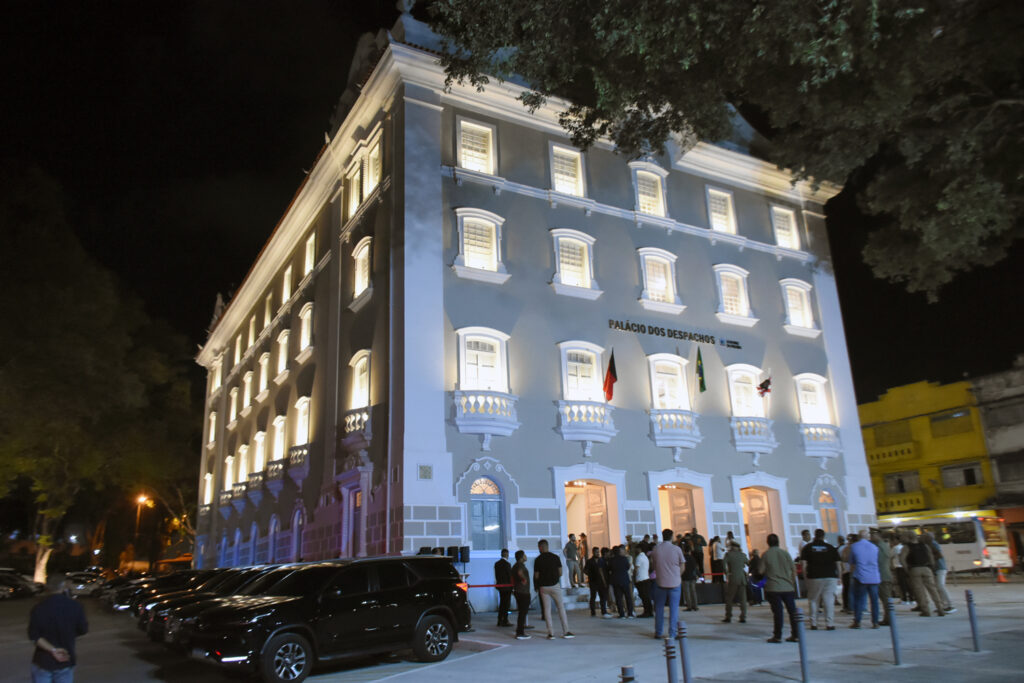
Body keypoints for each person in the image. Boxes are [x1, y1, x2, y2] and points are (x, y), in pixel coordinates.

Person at [28, 572, 88, 683]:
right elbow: (83, 630)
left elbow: (34, 636)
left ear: (47, 588)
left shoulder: (38, 608)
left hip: (42, 660)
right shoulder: (76, 606)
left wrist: (53, 650)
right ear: (64, 586)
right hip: (65, 658)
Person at [800, 528, 840, 630]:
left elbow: (803, 564)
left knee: (813, 599)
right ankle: (829, 624)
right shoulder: (831, 548)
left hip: (814, 576)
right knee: (829, 600)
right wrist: (839, 577)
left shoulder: (808, 547)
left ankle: (814, 623)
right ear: (823, 536)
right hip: (830, 576)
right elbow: (838, 565)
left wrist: (805, 577)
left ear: (814, 535)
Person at [761, 533, 799, 643]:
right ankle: (795, 634)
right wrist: (791, 582)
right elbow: (793, 570)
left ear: (768, 542)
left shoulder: (766, 554)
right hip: (788, 587)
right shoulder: (785, 553)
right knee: (792, 612)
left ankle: (777, 636)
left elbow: (760, 570)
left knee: (778, 613)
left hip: (773, 587)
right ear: (778, 542)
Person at [534, 539, 574, 639]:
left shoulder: (538, 559)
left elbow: (536, 575)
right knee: (561, 608)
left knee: (547, 610)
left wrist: (537, 585)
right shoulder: (555, 557)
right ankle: (566, 631)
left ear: (540, 547)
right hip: (555, 585)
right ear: (547, 546)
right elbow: (560, 572)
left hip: (543, 587)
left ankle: (551, 633)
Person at [651, 528, 685, 639]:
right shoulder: (677, 549)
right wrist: (677, 575)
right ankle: (672, 633)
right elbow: (682, 565)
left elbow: (654, 566)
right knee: (674, 609)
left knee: (659, 608)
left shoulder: (656, 549)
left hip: (660, 582)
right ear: (671, 536)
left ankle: (658, 632)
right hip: (675, 583)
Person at [900, 533, 946, 617]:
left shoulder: (906, 547)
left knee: (920, 591)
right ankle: (940, 608)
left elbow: (902, 559)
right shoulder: (925, 545)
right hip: (926, 568)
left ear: (908, 538)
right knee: (933, 589)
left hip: (914, 569)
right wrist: (931, 567)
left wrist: (906, 569)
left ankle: (926, 610)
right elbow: (931, 557)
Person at [848, 529, 881, 628]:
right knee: (874, 601)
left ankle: (857, 621)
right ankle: (875, 622)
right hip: (874, 576)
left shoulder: (854, 546)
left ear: (859, 537)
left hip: (860, 576)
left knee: (859, 599)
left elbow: (852, 562)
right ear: (868, 537)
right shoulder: (875, 547)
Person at [923, 531, 955, 613]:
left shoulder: (933, 544)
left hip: (940, 568)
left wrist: (931, 560)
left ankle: (949, 605)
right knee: (938, 587)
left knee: (940, 586)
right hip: (937, 568)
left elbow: (939, 555)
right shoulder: (931, 544)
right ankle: (943, 605)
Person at [721, 542, 749, 623]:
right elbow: (748, 563)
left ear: (732, 547)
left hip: (733, 577)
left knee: (729, 598)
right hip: (742, 578)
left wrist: (726, 573)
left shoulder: (728, 555)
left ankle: (728, 616)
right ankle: (743, 617)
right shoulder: (742, 555)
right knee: (743, 599)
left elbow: (723, 565)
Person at [871, 530, 893, 626]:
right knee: (886, 599)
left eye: (872, 535)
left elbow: (878, 561)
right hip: (885, 574)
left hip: (882, 575)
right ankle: (888, 618)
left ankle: (889, 618)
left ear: (878, 535)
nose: (871, 537)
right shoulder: (884, 545)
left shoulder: (880, 547)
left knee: (886, 599)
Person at [584, 547, 612, 617]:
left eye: (598, 552)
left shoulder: (601, 560)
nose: (598, 553)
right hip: (593, 581)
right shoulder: (589, 561)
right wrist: (590, 574)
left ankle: (604, 611)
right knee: (593, 596)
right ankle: (593, 612)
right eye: (596, 552)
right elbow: (585, 570)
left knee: (602, 597)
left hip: (600, 581)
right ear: (593, 552)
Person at [610, 546, 636, 618]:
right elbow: (627, 567)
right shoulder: (624, 559)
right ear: (619, 551)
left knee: (619, 598)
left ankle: (621, 614)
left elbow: (609, 568)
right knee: (628, 597)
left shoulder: (611, 560)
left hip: (616, 580)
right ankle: (630, 613)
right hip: (625, 580)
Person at [512, 550, 532, 640]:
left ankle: (520, 630)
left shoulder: (515, 565)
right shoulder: (520, 565)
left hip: (519, 591)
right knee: (523, 612)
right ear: (521, 557)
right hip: (522, 592)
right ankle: (520, 632)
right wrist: (524, 579)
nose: (526, 556)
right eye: (524, 555)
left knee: (522, 612)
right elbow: (520, 573)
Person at [494, 548, 513, 627]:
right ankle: (505, 620)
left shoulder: (497, 564)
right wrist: (512, 586)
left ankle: (499, 619)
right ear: (507, 554)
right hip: (507, 587)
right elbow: (509, 576)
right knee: (506, 604)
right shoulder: (507, 564)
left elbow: (496, 575)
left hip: (500, 586)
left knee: (502, 603)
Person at [681, 541, 699, 611]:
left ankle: (689, 606)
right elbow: (695, 568)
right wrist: (700, 576)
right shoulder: (692, 558)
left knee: (687, 592)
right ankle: (695, 605)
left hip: (685, 577)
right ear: (689, 551)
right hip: (692, 577)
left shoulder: (682, 558)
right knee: (693, 591)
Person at [634, 548, 653, 617]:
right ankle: (649, 611)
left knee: (644, 597)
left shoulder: (639, 557)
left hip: (641, 580)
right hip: (646, 578)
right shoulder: (645, 557)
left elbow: (636, 569)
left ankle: (646, 612)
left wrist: (634, 577)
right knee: (647, 597)